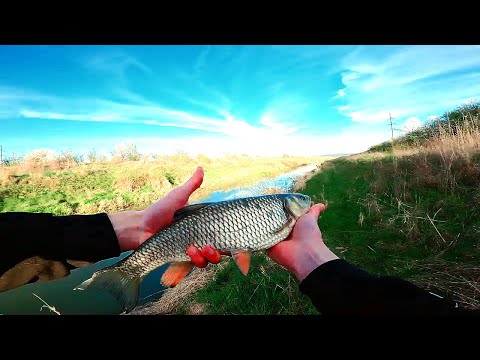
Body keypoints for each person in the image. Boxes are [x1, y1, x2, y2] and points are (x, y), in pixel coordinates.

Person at [0, 167, 476, 315]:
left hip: (195, 238)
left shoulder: (281, 218)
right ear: (292, 206)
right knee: (179, 256)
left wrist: (309, 254)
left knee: (189, 255)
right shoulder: (281, 215)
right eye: (301, 199)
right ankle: (126, 275)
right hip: (183, 238)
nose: (305, 204)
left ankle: (129, 272)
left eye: (301, 200)